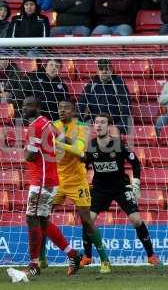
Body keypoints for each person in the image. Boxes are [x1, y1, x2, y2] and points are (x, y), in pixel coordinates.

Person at [82, 113, 162, 267]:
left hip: (120, 186)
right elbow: (84, 165)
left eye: (102, 122)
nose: (98, 125)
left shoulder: (118, 144)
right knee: (87, 220)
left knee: (136, 220)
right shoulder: (91, 146)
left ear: (109, 126)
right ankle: (87, 256)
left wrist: (136, 182)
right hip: (99, 188)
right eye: (96, 122)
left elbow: (136, 163)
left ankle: (151, 255)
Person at [51, 100, 111, 274]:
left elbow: (79, 150)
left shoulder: (83, 127)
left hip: (77, 180)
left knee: (86, 220)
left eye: (66, 108)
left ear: (73, 111)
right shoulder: (53, 125)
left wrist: (58, 140)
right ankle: (41, 260)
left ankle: (105, 260)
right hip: (57, 179)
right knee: (42, 216)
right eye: (60, 108)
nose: (62, 111)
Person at [7, 96, 59, 282]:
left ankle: (34, 264)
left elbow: (29, 156)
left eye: (28, 105)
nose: (24, 108)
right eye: (22, 105)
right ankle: (71, 254)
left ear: (38, 107)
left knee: (32, 218)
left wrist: (26, 148)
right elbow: (60, 136)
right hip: (49, 178)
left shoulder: (35, 126)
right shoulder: (46, 121)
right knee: (43, 220)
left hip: (41, 180)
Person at [77, 59, 132, 135]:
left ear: (111, 70)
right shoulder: (92, 83)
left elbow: (126, 106)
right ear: (97, 71)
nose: (104, 71)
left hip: (113, 123)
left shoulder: (118, 83)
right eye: (101, 69)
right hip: (95, 123)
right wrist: (80, 122)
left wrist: (119, 126)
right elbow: (82, 103)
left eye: (107, 69)